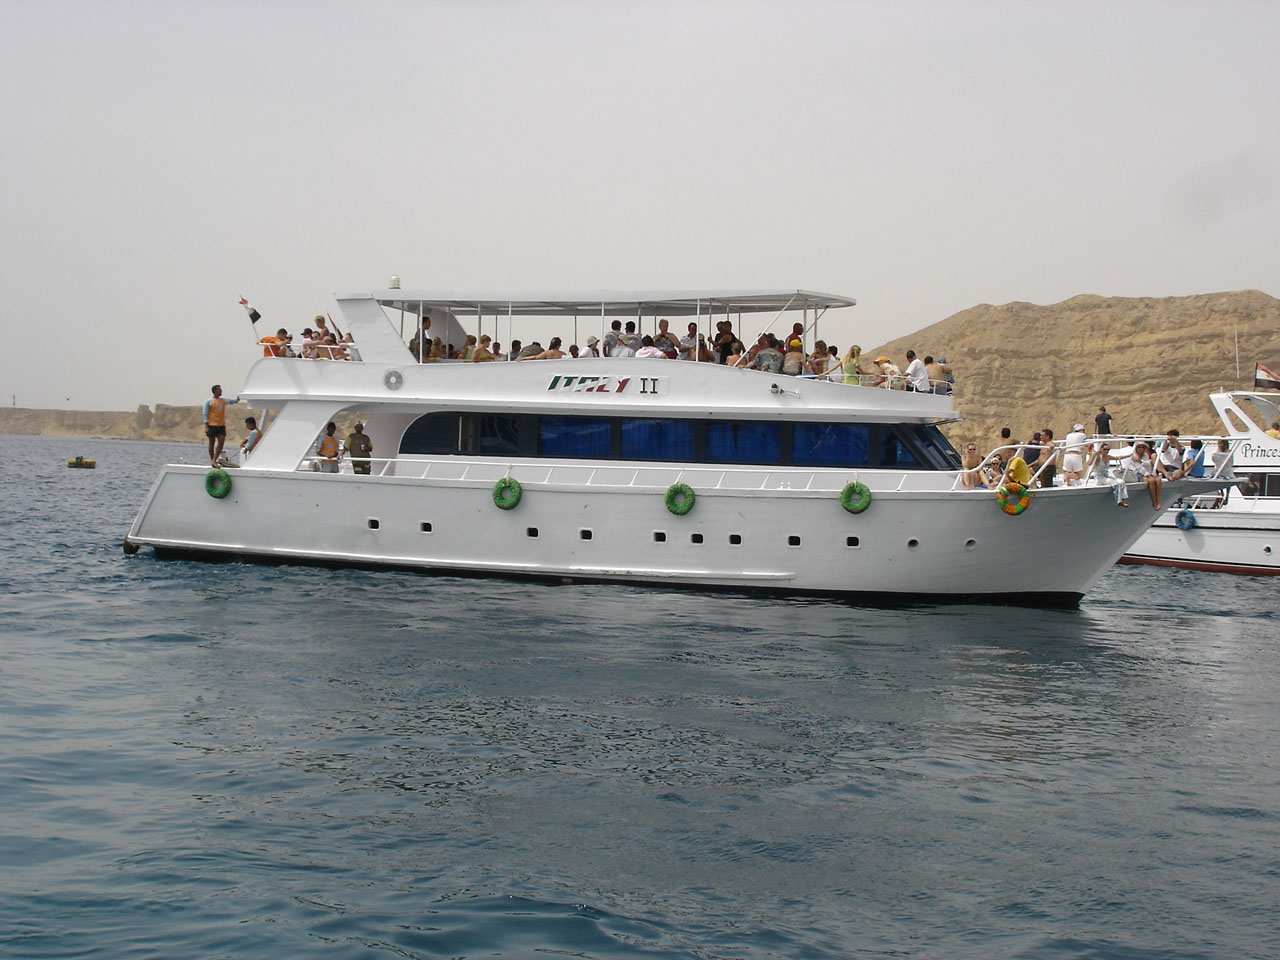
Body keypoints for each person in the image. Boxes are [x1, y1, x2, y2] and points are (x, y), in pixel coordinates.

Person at [203, 384, 241, 467]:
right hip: (211, 425)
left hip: (220, 425)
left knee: (221, 442)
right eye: (219, 390)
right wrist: (206, 426)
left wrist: (238, 398)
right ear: (214, 391)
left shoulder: (223, 400)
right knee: (211, 443)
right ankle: (212, 460)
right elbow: (205, 414)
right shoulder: (208, 402)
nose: (221, 391)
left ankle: (214, 460)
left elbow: (232, 401)